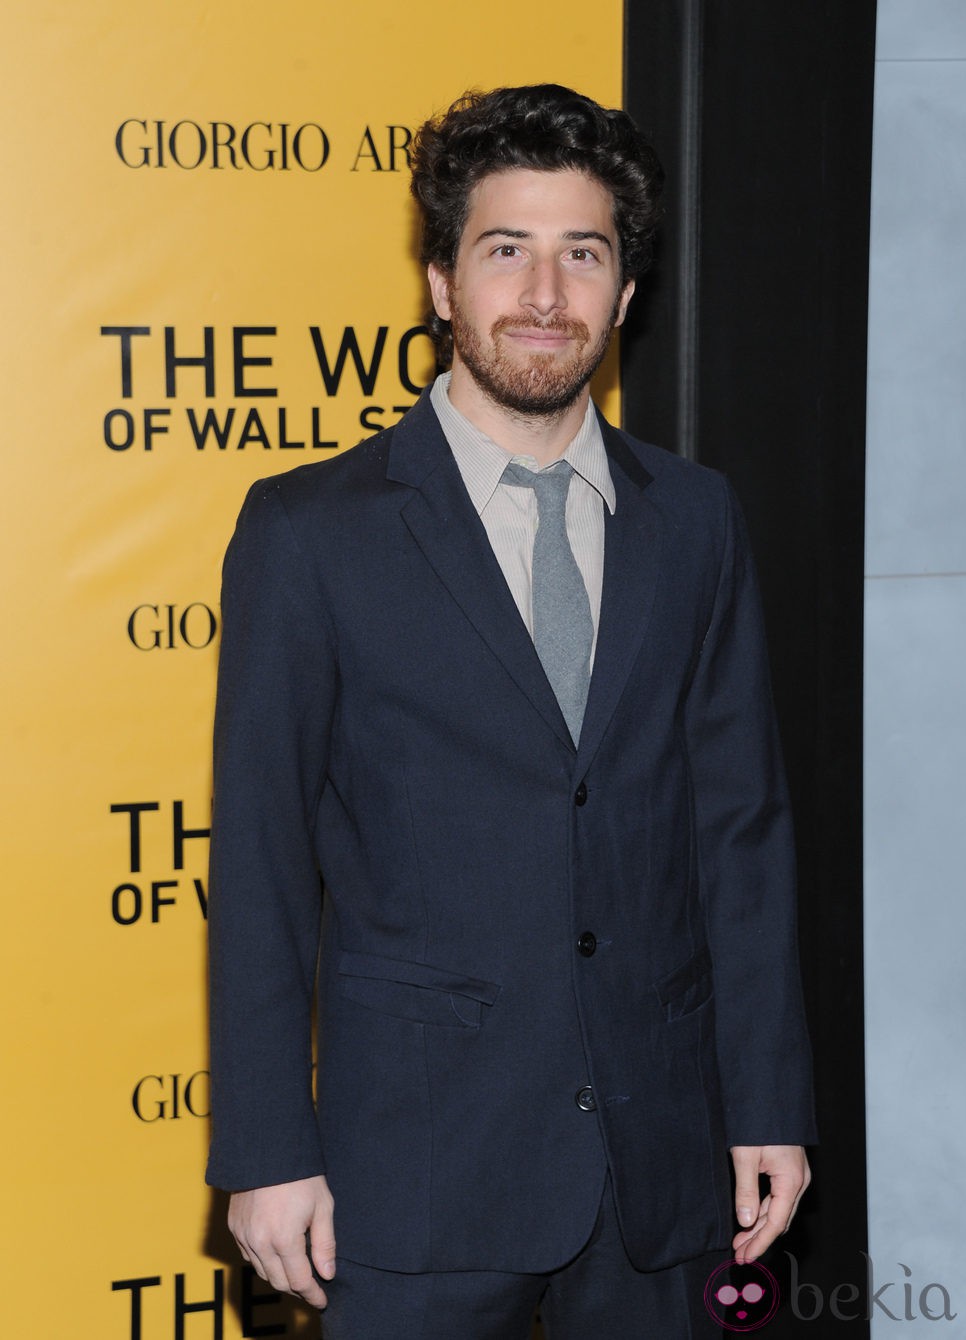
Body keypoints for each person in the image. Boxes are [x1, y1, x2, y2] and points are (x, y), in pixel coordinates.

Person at [206, 83, 816, 1339]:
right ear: (439, 281)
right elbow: (261, 858)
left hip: (663, 1167)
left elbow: (738, 831)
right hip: (412, 1170)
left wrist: (766, 1102)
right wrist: (265, 1146)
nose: (544, 294)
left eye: (581, 253)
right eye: (505, 250)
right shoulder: (309, 531)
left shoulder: (693, 519)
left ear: (625, 293)